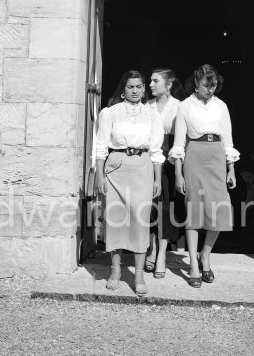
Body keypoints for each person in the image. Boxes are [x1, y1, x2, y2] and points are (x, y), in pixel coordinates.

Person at [170, 64, 240, 288]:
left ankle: (205, 256)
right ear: (196, 83)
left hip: (217, 156)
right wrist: (178, 174)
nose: (211, 89)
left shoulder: (222, 106)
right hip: (195, 157)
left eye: (214, 85)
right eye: (206, 85)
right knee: (195, 211)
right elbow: (179, 142)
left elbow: (228, 139)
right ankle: (193, 265)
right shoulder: (184, 106)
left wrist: (231, 168)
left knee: (220, 210)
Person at [95, 70, 164, 296]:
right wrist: (99, 176)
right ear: (123, 90)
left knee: (139, 220)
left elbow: (155, 150)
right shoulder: (110, 113)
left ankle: (139, 276)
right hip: (116, 168)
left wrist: (157, 178)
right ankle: (115, 271)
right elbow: (101, 147)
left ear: (144, 89)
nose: (135, 91)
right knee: (116, 220)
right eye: (130, 87)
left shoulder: (153, 115)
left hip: (142, 168)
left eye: (139, 87)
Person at [145, 68, 185, 278]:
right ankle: (151, 248)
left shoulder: (179, 106)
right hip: (149, 157)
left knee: (166, 207)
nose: (150, 85)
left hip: (169, 158)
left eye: (155, 81)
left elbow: (180, 140)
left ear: (168, 84)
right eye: (150, 81)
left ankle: (162, 253)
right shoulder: (146, 106)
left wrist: (178, 171)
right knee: (150, 205)